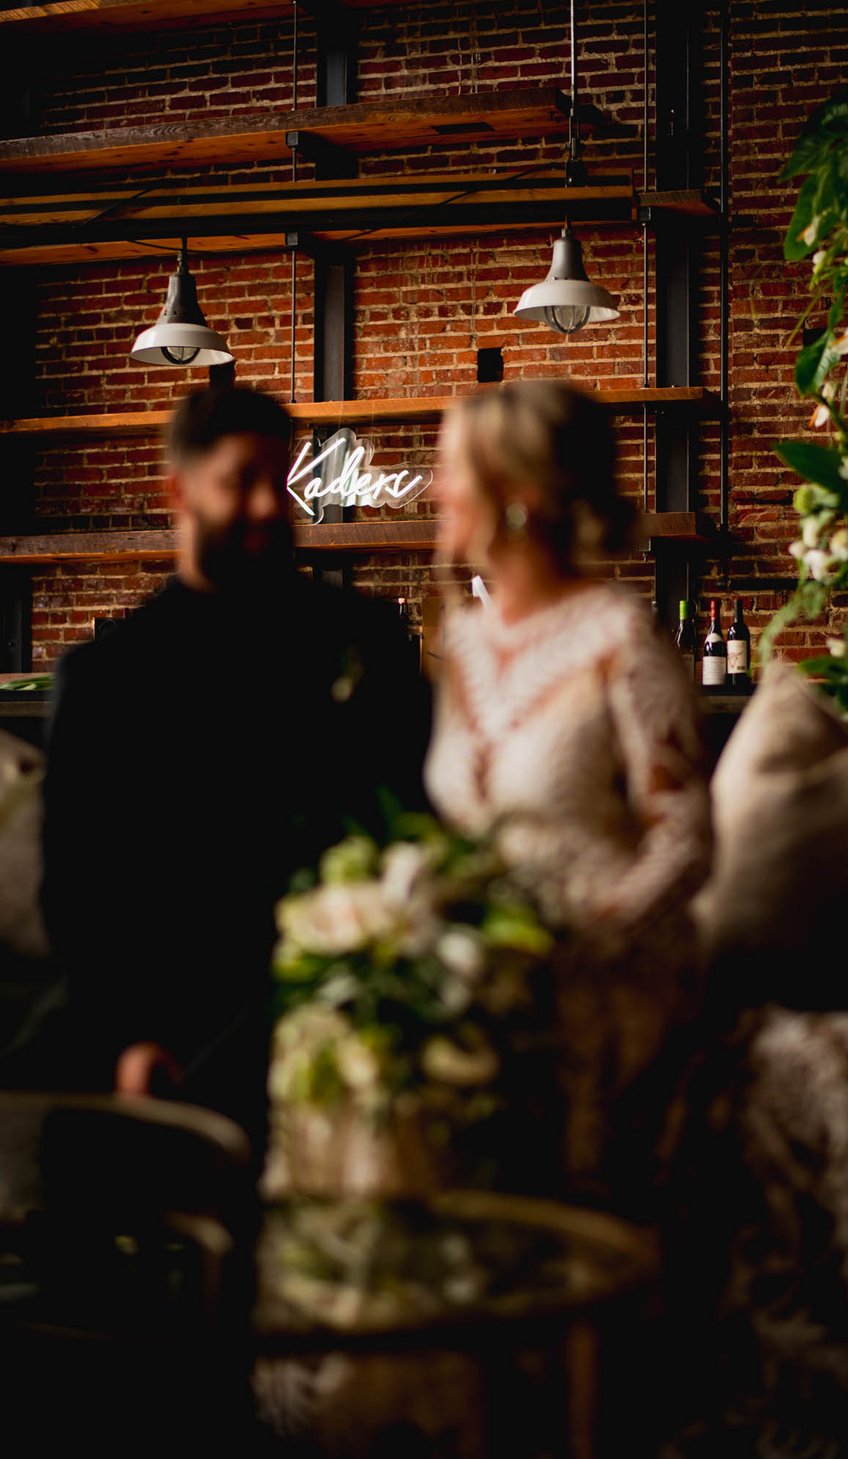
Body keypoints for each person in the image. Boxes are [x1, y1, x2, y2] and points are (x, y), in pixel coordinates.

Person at [37, 385, 429, 1153]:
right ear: (177, 492)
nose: (262, 506)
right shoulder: (107, 676)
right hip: (174, 1027)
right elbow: (80, 884)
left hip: (348, 1010)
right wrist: (130, 1034)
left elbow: (414, 815)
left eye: (276, 483)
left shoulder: (365, 640)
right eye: (237, 482)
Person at [424, 379, 712, 1210]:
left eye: (450, 468)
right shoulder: (462, 639)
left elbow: (688, 841)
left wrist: (582, 946)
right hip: (490, 971)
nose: (435, 487)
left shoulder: (622, 636)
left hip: (613, 977)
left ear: (516, 493)